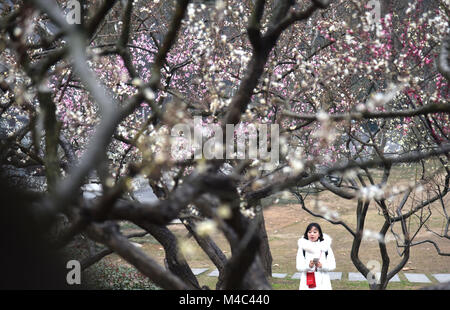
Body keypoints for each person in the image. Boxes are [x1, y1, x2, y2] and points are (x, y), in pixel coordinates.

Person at [296, 222, 336, 290]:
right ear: (307, 234)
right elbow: (299, 266)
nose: (312, 234)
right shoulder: (303, 248)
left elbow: (332, 265)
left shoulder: (326, 247)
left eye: (315, 232)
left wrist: (322, 266)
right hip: (307, 282)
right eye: (309, 232)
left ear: (319, 234)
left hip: (323, 282)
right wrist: (309, 266)